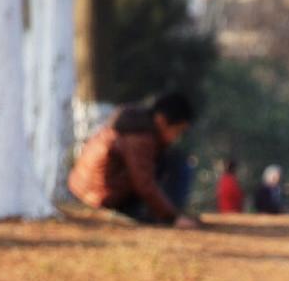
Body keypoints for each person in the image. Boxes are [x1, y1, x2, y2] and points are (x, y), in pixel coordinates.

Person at [68, 91, 198, 227]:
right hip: (100, 197)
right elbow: (144, 183)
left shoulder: (131, 126)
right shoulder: (141, 138)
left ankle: (167, 213)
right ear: (161, 120)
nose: (177, 138)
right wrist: (172, 218)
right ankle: (172, 216)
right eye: (178, 131)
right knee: (176, 163)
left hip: (86, 192)